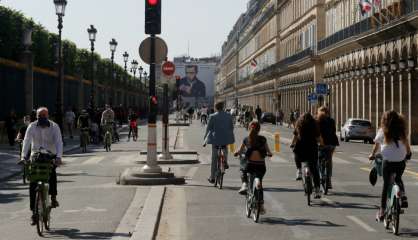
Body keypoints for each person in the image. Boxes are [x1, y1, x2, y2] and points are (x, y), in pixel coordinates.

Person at [21, 107, 63, 225]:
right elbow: (27, 141)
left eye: (44, 116)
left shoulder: (54, 127)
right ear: (37, 117)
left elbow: (59, 142)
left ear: (48, 116)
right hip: (36, 155)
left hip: (50, 155)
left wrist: (59, 157)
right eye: (40, 116)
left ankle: (53, 197)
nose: (42, 118)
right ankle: (33, 213)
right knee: (33, 182)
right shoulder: (32, 126)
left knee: (52, 173)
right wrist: (23, 156)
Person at [369, 110, 411, 221]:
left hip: (388, 162)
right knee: (398, 178)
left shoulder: (383, 130)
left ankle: (382, 211)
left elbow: (376, 145)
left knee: (386, 185)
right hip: (400, 161)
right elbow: (406, 145)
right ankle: (403, 196)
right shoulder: (402, 131)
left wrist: (372, 154)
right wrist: (408, 154)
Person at [234, 122, 272, 212]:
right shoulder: (263, 139)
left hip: (250, 165)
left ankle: (244, 184)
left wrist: (236, 153)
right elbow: (268, 151)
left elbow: (239, 151)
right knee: (260, 184)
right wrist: (269, 154)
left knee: (242, 168)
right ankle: (261, 206)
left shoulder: (246, 139)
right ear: (259, 129)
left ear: (249, 128)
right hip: (261, 167)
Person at [291, 112, 321, 199]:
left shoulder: (299, 124)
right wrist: (320, 143)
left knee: (295, 153)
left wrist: (292, 144)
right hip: (312, 148)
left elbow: (295, 137)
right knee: (315, 170)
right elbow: (318, 138)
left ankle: (299, 170)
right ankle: (317, 190)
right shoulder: (314, 125)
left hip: (301, 147)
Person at [204, 102, 235, 183]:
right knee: (225, 149)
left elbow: (208, 129)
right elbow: (231, 127)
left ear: (216, 108)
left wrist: (205, 139)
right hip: (225, 138)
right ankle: (225, 161)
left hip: (215, 140)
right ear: (223, 107)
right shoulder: (228, 116)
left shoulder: (212, 116)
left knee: (214, 158)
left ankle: (212, 177)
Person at [317, 106, 339, 189]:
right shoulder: (332, 120)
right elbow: (333, 131)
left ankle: (320, 176)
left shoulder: (317, 121)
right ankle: (328, 180)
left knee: (319, 159)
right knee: (329, 160)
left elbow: (316, 133)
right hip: (332, 143)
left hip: (321, 143)